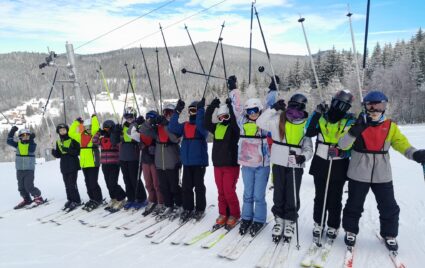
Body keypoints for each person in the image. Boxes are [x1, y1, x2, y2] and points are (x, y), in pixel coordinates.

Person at [339, 90, 425, 251]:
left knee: (389, 206)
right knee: (354, 204)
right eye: (371, 106)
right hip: (358, 172)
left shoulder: (390, 126)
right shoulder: (356, 124)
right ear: (365, 107)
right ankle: (351, 230)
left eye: (380, 106)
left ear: (384, 107)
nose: (375, 111)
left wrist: (416, 154)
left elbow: (402, 145)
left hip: (382, 173)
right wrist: (355, 130)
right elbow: (342, 145)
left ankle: (389, 234)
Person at [256, 94, 313, 241]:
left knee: (292, 194)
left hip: (295, 162)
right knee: (279, 193)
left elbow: (308, 148)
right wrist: (273, 109)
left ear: (302, 107)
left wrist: (303, 157)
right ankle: (279, 220)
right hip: (279, 161)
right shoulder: (278, 119)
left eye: (297, 105)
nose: (293, 108)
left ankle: (290, 221)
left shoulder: (305, 124)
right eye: (291, 104)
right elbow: (260, 122)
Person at [304, 90, 355, 248]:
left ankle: (333, 225)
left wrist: (343, 151)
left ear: (347, 107)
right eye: (336, 102)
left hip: (339, 162)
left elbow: (353, 143)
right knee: (320, 196)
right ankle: (318, 223)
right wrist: (316, 113)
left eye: (343, 105)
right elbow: (309, 131)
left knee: (335, 197)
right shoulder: (323, 116)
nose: (338, 107)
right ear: (332, 101)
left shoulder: (349, 120)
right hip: (321, 161)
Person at [137, 104, 183, 220]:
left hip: (172, 161)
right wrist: (151, 121)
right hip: (159, 162)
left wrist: (166, 125)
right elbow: (143, 130)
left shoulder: (176, 127)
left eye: (170, 113)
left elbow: (174, 138)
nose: (167, 115)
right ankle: (168, 205)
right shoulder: (157, 129)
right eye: (166, 113)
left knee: (174, 186)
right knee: (164, 186)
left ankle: (178, 204)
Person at [234, 96, 271, 237]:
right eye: (249, 111)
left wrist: (272, 91)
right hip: (247, 164)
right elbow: (235, 105)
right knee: (248, 194)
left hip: (262, 164)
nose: (252, 114)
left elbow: (270, 106)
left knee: (258, 195)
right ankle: (246, 218)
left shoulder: (264, 124)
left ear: (260, 110)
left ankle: (259, 220)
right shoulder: (242, 122)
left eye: (255, 110)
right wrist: (234, 90)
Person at [204, 89, 241, 229]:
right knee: (221, 191)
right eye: (221, 118)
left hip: (231, 165)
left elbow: (235, 124)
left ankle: (234, 214)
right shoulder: (217, 127)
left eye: (226, 117)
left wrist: (231, 108)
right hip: (218, 165)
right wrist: (212, 107)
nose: (223, 120)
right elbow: (206, 123)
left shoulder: (233, 128)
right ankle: (223, 213)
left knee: (229, 191)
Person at [168, 98, 209, 222]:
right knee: (186, 187)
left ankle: (200, 208)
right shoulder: (185, 125)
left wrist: (201, 111)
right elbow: (172, 127)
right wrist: (177, 111)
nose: (193, 112)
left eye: (195, 110)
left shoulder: (202, 125)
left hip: (199, 162)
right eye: (191, 110)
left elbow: (203, 131)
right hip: (187, 162)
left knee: (199, 186)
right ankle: (188, 207)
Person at [128, 110, 164, 216]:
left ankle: (160, 202)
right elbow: (130, 133)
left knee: (157, 184)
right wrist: (135, 123)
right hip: (145, 160)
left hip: (155, 160)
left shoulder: (157, 130)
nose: (149, 120)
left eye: (151, 118)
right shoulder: (142, 130)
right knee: (148, 184)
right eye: (148, 118)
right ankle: (152, 200)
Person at [111, 107, 147, 211]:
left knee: (134, 178)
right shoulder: (122, 127)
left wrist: (140, 124)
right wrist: (115, 132)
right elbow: (114, 142)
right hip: (123, 156)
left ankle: (141, 198)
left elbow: (140, 137)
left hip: (134, 155)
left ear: (134, 116)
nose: (129, 119)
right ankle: (131, 198)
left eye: (131, 117)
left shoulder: (138, 125)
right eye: (127, 117)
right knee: (126, 179)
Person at [68, 115, 103, 211]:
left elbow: (96, 127)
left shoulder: (94, 135)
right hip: (84, 163)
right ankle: (92, 198)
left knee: (92, 182)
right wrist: (77, 122)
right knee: (87, 182)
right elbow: (71, 133)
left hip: (93, 162)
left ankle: (98, 198)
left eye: (90, 127)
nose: (88, 129)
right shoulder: (81, 136)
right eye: (87, 127)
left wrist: (94, 118)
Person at [92, 120, 126, 212]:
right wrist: (98, 132)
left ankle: (121, 197)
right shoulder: (102, 139)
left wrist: (117, 132)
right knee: (108, 184)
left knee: (112, 183)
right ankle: (113, 198)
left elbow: (120, 144)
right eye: (105, 128)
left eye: (108, 128)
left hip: (114, 163)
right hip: (105, 164)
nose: (106, 130)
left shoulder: (115, 138)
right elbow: (94, 141)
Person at [7, 127, 45, 209]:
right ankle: (27, 199)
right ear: (20, 137)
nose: (25, 137)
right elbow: (9, 141)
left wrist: (31, 139)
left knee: (29, 186)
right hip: (19, 169)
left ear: (29, 137)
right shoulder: (17, 145)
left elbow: (31, 149)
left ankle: (38, 197)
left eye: (27, 135)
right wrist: (12, 131)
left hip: (29, 170)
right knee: (21, 187)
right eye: (23, 136)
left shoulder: (32, 144)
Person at [51, 123, 82, 211]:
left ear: (67, 130)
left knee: (72, 184)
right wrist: (54, 153)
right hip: (64, 165)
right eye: (60, 131)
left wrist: (68, 150)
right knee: (67, 185)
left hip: (73, 164)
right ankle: (70, 199)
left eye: (64, 130)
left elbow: (78, 151)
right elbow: (59, 155)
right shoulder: (58, 142)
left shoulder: (72, 139)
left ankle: (76, 200)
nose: (62, 132)